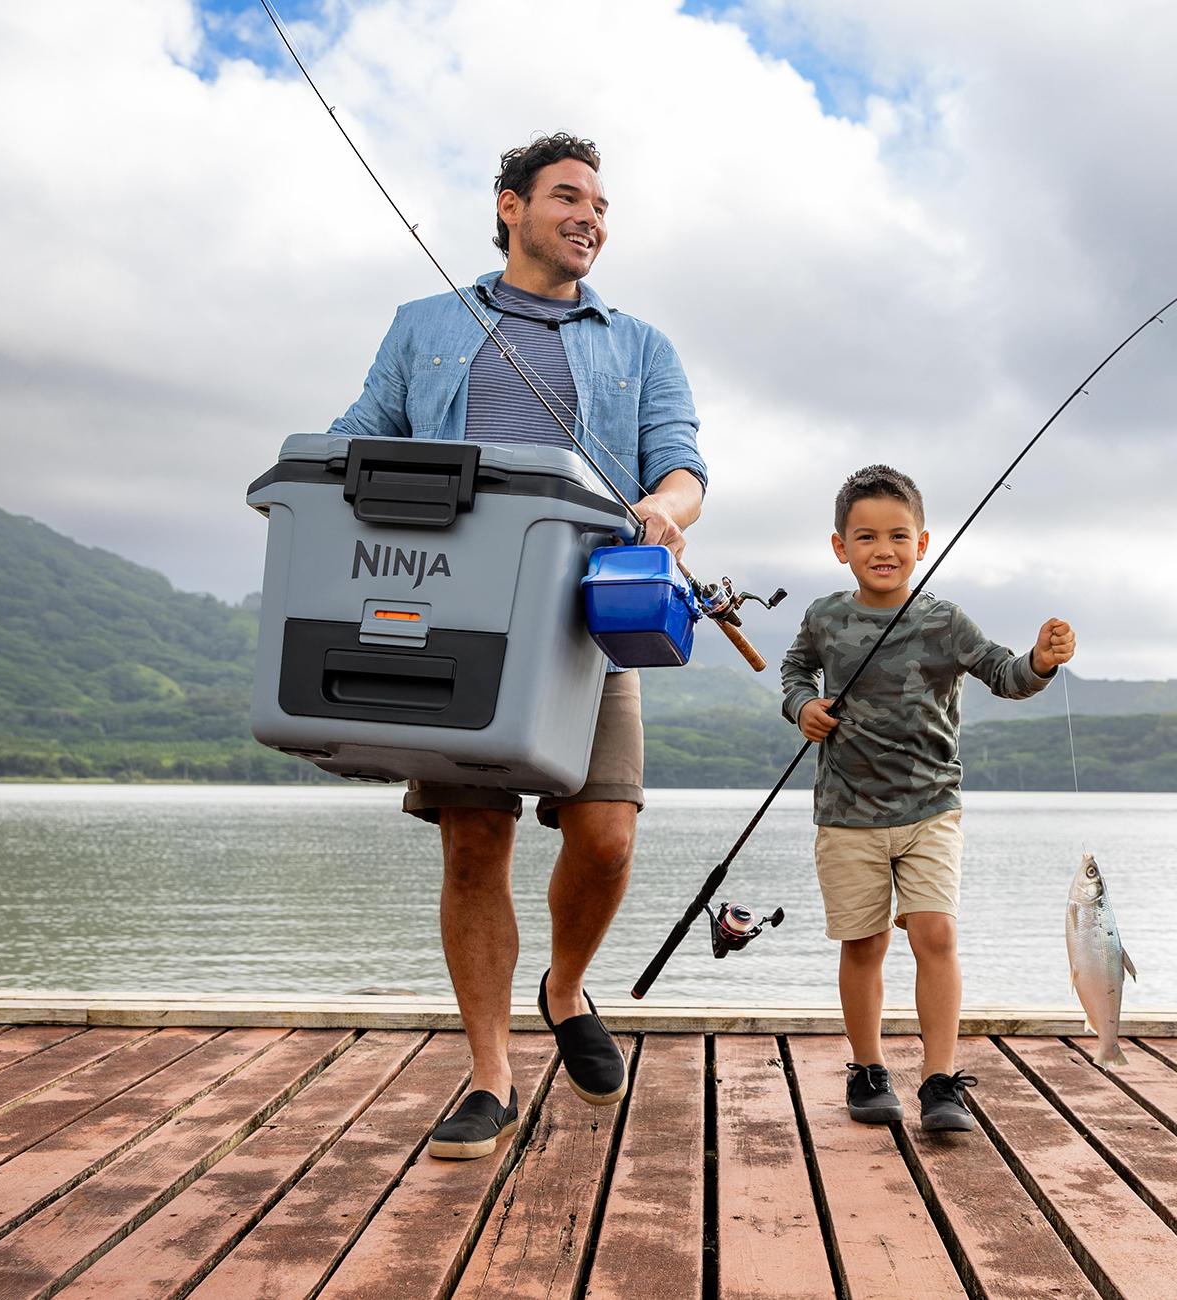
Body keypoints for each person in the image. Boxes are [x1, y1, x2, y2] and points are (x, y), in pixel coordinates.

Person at [327, 133, 707, 1159]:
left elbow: (682, 466)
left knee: (607, 834)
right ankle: (489, 1072)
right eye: (569, 197)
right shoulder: (423, 325)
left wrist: (667, 510)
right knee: (474, 841)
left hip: (591, 615)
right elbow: (361, 431)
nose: (591, 217)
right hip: (450, 609)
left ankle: (565, 985)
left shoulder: (641, 345)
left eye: (601, 204)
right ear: (510, 207)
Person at [781, 465, 1074, 1131]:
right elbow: (794, 671)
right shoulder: (825, 617)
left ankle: (940, 1081)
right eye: (865, 537)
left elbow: (1006, 675)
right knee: (864, 944)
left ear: (923, 542)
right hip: (846, 815)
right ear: (839, 547)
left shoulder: (944, 621)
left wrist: (1043, 659)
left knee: (935, 933)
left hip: (931, 810)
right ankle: (868, 1069)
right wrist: (803, 707)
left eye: (898, 535)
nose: (882, 549)